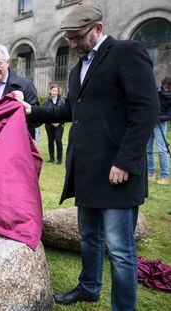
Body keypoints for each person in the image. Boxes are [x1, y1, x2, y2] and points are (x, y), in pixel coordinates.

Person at [21, 2, 159, 310]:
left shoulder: (127, 52)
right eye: (68, 38)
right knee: (89, 238)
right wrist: (33, 111)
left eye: (77, 37)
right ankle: (89, 287)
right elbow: (71, 110)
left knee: (120, 250)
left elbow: (146, 110)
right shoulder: (76, 69)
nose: (72, 44)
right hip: (86, 170)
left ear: (97, 28)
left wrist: (124, 161)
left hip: (116, 171)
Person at [147, 76, 171, 185]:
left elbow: (169, 115)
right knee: (148, 148)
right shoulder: (156, 90)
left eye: (169, 88)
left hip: (161, 123)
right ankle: (150, 172)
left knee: (162, 150)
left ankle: (165, 176)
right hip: (150, 121)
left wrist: (159, 117)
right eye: (166, 87)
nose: (167, 89)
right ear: (163, 84)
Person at [43, 84, 65, 164]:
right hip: (49, 125)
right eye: (53, 90)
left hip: (59, 125)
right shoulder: (46, 101)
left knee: (58, 140)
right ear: (50, 91)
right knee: (50, 141)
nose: (54, 92)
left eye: (56, 90)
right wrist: (52, 122)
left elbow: (64, 113)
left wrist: (58, 122)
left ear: (58, 92)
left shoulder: (62, 101)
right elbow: (44, 113)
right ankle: (51, 159)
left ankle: (59, 160)